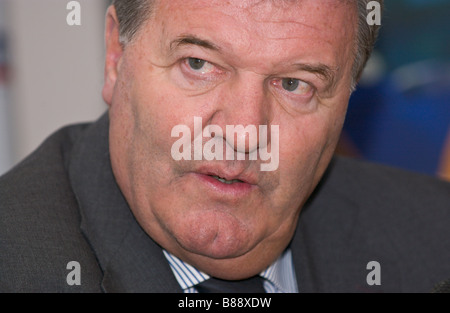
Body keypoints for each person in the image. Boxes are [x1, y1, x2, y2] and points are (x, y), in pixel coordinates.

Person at [1, 0, 449, 293]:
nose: (242, 133)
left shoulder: (435, 243)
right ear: (116, 57)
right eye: (198, 64)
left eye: (294, 84)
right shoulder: (17, 263)